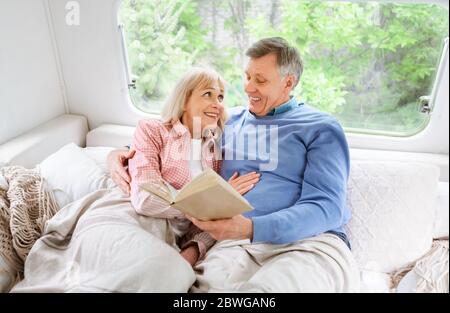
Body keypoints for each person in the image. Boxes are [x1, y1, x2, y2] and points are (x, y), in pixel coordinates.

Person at [108, 37, 360, 292]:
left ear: (288, 83)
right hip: (231, 243)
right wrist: (122, 153)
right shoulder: (229, 121)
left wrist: (251, 227)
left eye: (260, 80)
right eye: (247, 77)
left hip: (306, 243)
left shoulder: (320, 128)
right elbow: (176, 142)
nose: (249, 88)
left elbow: (327, 207)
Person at [127, 67, 260, 266]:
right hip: (144, 225)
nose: (218, 105)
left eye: (221, 97)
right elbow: (145, 198)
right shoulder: (152, 131)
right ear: (184, 100)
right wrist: (211, 204)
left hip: (186, 241)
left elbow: (213, 224)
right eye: (208, 94)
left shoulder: (215, 146)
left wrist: (192, 253)